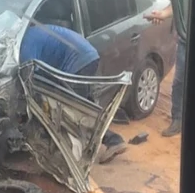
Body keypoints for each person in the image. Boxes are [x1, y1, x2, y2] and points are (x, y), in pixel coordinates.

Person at [20, 23, 128, 163]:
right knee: (87, 108)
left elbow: (27, 76)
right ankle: (110, 141)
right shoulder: (37, 31)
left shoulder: (27, 41)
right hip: (88, 56)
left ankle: (109, 142)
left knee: (75, 113)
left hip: (78, 62)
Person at [145, 3, 183, 136]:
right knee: (179, 82)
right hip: (185, 39)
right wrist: (163, 14)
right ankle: (177, 120)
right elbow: (179, 3)